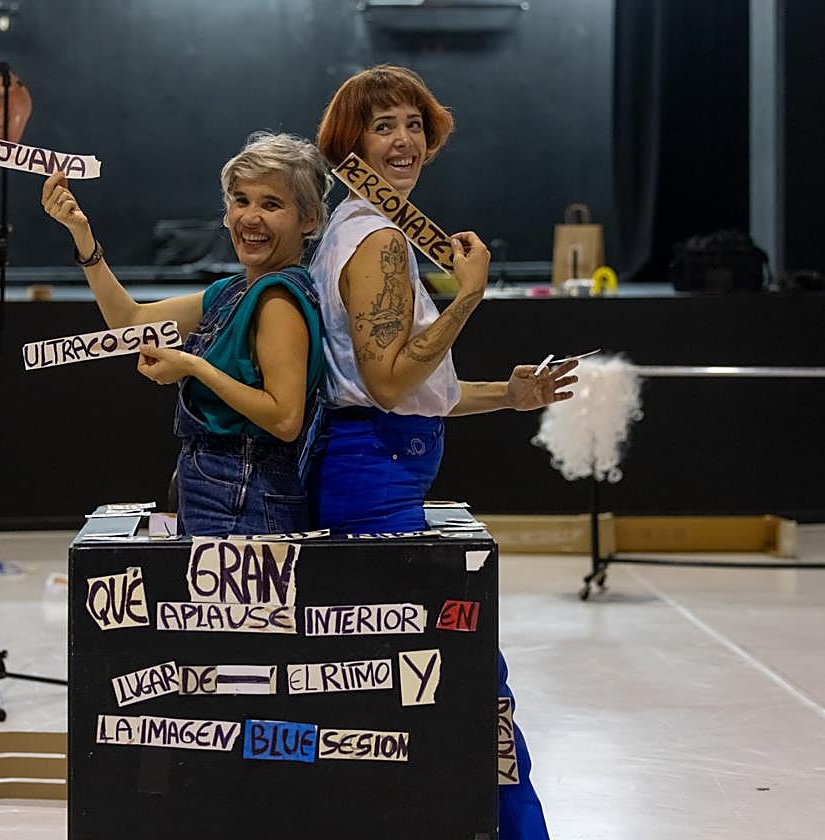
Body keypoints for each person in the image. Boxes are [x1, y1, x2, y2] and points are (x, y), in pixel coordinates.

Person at [310, 65, 577, 838]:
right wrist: (466, 296)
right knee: (467, 685)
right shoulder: (381, 241)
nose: (403, 140)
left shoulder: (357, 231)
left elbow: (411, 382)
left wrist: (509, 394)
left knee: (411, 690)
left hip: (379, 471)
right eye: (383, 125)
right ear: (351, 142)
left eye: (413, 124)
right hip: (374, 481)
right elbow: (391, 385)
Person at [42, 132, 330, 537]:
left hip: (244, 494)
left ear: (309, 219)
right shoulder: (232, 291)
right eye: (241, 200)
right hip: (210, 484)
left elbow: (284, 419)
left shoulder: (277, 299)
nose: (250, 218)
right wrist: (82, 237)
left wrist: (193, 367)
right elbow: (130, 322)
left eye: (272, 204)